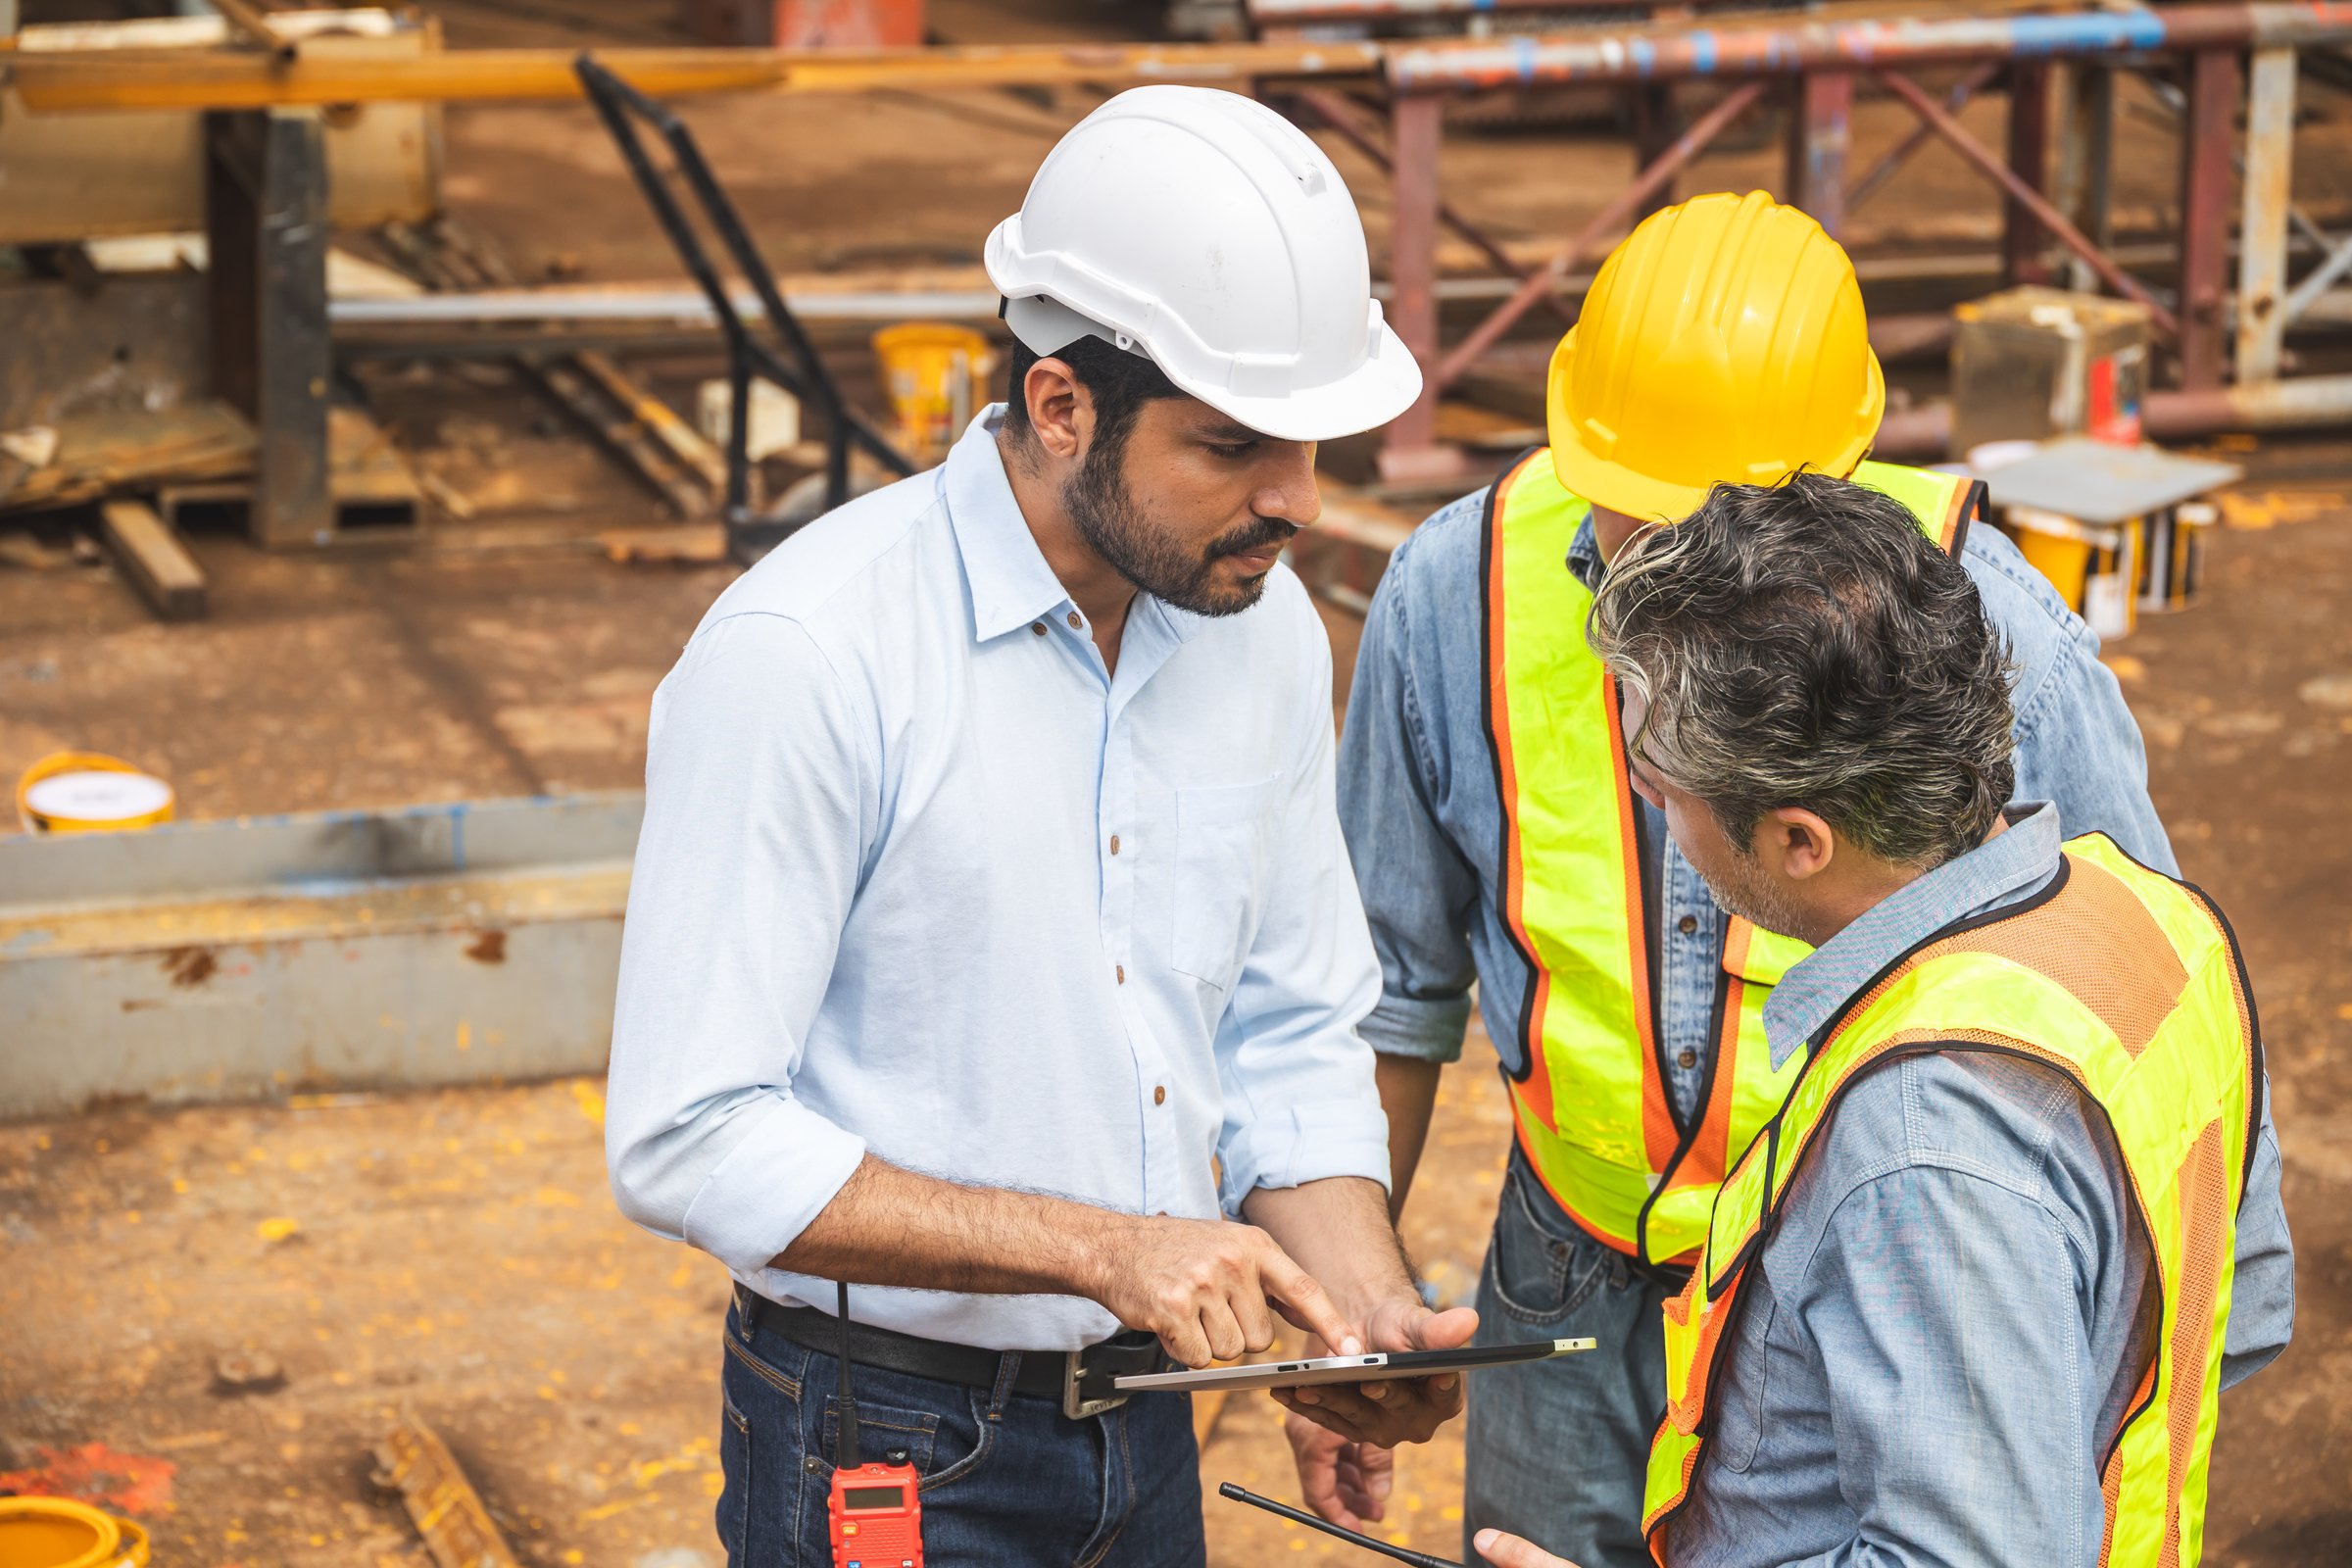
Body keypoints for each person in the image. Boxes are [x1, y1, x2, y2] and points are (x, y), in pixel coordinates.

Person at [604, 85, 1471, 1566]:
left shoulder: (1250, 630)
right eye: (1236, 447)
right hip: (876, 1434)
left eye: (1322, 446)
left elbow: (1282, 1028)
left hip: (1143, 1421)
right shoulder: (812, 654)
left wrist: (1348, 1316)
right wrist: (1106, 1249)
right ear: (1062, 403)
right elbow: (690, 1138)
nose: (1300, 503)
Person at [1318, 190, 2191, 1563]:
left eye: (1723, 551)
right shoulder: (1454, 594)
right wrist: (1346, 1294)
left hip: (1876, 1289)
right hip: (1569, 1284)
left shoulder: (1993, 624)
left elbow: (2126, 1004)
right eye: (1637, 535)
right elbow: (1387, 995)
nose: (1677, 597)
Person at [1470, 472, 2292, 1568]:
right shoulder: (2141, 922)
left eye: (1661, 787)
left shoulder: (1924, 1141)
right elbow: (2246, 1304)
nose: (1652, 810)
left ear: (1799, 840)